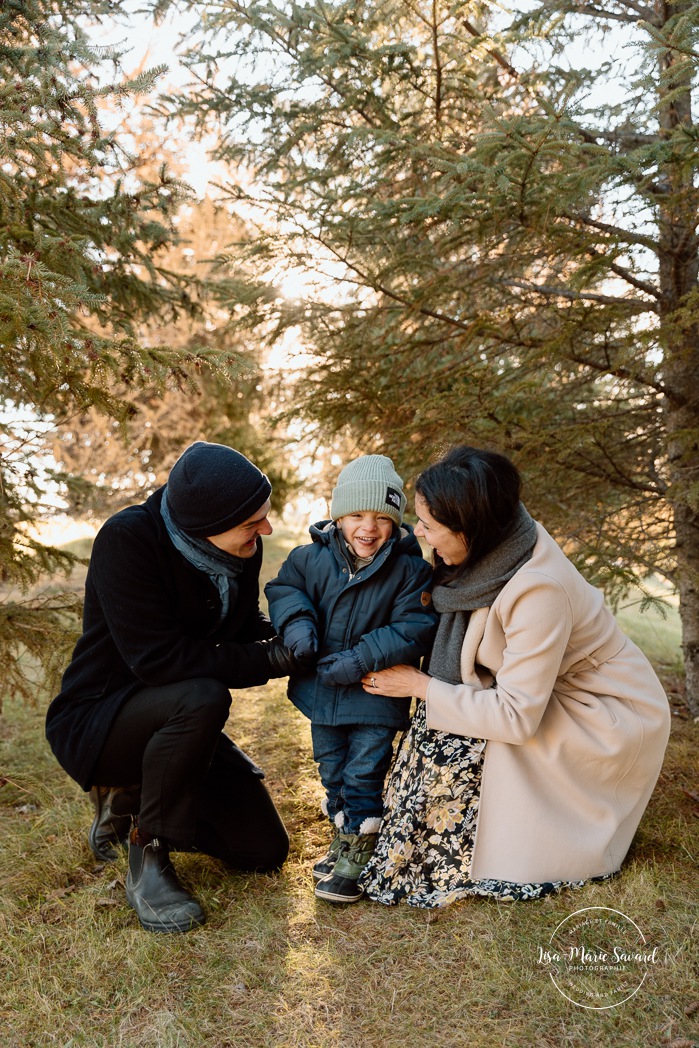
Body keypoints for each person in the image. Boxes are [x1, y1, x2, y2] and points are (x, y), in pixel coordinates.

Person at [358, 445, 671, 907]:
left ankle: (483, 847)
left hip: (603, 712)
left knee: (453, 731)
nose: (419, 534)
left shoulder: (538, 590)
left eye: (430, 526)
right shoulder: (496, 547)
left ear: (471, 529)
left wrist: (421, 686)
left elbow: (517, 716)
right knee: (438, 725)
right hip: (538, 688)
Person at [46, 441, 303, 933]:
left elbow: (238, 621)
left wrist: (287, 633)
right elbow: (159, 661)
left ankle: (133, 795)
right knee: (204, 695)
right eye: (253, 523)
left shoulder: (239, 544)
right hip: (101, 719)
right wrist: (271, 660)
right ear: (203, 526)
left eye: (263, 517)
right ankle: (149, 854)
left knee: (262, 850)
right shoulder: (128, 541)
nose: (266, 530)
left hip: (176, 717)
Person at [265, 454, 437, 903]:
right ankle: (343, 840)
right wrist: (298, 627)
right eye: (357, 514)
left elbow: (414, 627)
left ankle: (357, 859)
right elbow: (285, 591)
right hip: (322, 692)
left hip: (374, 693)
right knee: (332, 770)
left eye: (383, 517)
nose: (369, 527)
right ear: (339, 515)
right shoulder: (309, 558)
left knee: (363, 772)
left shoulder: (410, 570)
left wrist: (362, 658)